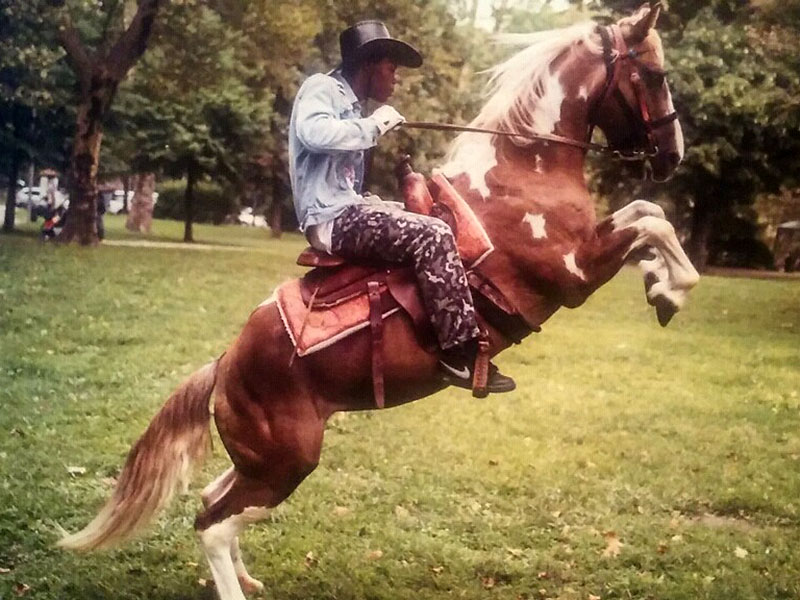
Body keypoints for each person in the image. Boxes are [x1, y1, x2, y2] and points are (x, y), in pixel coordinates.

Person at [288, 20, 515, 394]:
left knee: (432, 218)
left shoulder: (352, 103)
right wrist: (374, 125)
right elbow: (313, 134)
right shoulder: (322, 87)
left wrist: (369, 199)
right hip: (331, 221)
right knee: (434, 234)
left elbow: (339, 184)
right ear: (368, 64)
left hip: (344, 211)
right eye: (391, 68)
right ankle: (459, 354)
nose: (396, 79)